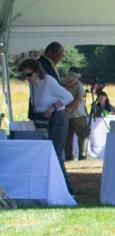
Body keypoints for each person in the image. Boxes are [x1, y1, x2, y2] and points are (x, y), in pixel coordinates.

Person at [18, 59, 73, 189]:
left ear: (37, 72)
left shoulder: (48, 81)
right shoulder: (33, 85)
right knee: (47, 154)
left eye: (29, 75)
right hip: (43, 121)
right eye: (24, 75)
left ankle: (67, 189)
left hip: (58, 119)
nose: (27, 78)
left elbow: (68, 97)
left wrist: (53, 107)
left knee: (56, 154)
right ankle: (51, 186)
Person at [62, 67, 89, 160]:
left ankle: (68, 156)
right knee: (83, 135)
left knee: (67, 137)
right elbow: (80, 98)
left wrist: (68, 109)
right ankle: (82, 155)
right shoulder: (79, 84)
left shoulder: (62, 83)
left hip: (65, 113)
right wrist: (71, 109)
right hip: (78, 114)